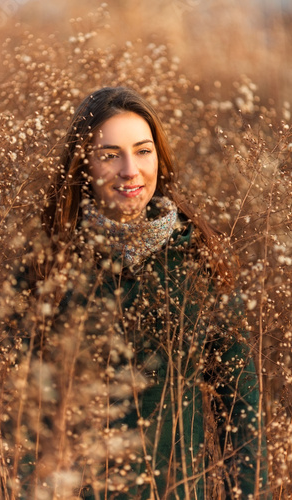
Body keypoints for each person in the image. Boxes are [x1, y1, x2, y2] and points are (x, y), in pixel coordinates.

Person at [16, 87, 270, 499]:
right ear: (84, 166)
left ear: (159, 157)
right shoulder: (48, 264)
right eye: (110, 154)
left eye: (143, 150)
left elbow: (240, 408)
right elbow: (0, 408)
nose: (130, 170)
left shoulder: (197, 260)